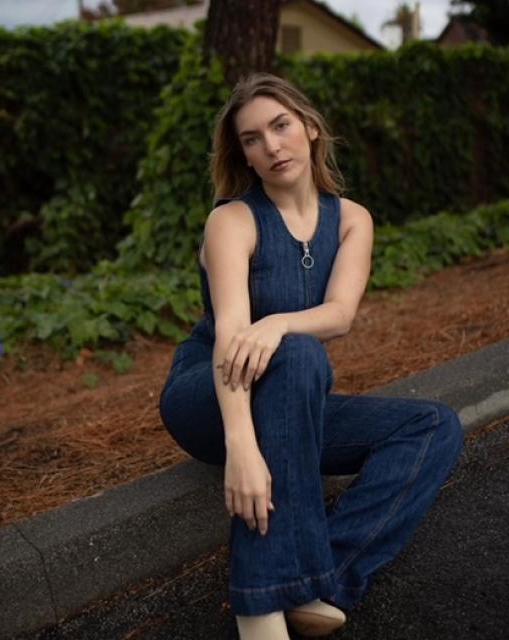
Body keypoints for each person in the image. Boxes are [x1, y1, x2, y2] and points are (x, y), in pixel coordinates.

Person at [159, 72, 464, 639]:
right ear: (244, 156)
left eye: (280, 126)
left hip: (289, 398)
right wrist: (242, 449)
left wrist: (274, 323)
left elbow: (339, 314)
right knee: (301, 357)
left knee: (434, 426)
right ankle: (258, 609)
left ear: (311, 128)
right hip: (209, 392)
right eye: (252, 138)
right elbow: (230, 339)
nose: (271, 146)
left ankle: (324, 582)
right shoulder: (232, 220)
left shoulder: (352, 219)